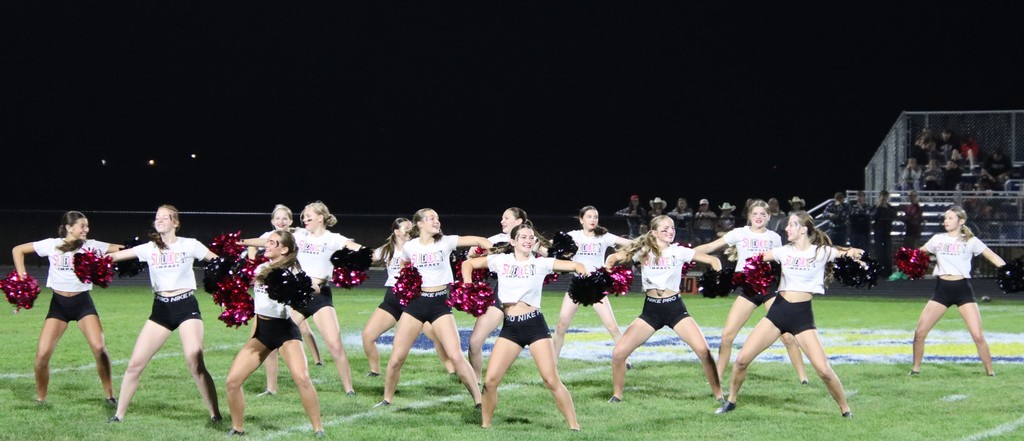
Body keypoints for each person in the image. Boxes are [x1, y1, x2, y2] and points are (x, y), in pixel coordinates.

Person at [716, 211, 862, 418]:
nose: (787, 229)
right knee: (741, 360)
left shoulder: (820, 252)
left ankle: (845, 410)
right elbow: (754, 260)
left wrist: (854, 253)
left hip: (802, 317)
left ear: (803, 229)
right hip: (778, 312)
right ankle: (731, 401)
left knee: (823, 370)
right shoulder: (783, 251)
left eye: (792, 225)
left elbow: (841, 252)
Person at [461, 224, 585, 430]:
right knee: (490, 381)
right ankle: (485, 427)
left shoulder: (541, 263)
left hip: (535, 326)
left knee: (551, 379)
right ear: (513, 242)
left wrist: (584, 276)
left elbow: (575, 265)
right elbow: (468, 264)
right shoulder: (500, 260)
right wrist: (467, 286)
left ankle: (574, 426)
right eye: (523, 237)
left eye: (531, 237)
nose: (528, 240)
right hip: (510, 329)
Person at [105, 205, 222, 423]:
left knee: (194, 362)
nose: (159, 221)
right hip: (160, 309)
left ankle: (215, 414)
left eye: (164, 218)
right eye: (157, 218)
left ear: (175, 222)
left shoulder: (190, 245)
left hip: (186, 306)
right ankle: (118, 415)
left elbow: (219, 263)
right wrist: (87, 259)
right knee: (134, 364)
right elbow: (115, 257)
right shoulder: (148, 248)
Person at [239, 201, 362, 395]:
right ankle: (271, 389)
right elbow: (265, 242)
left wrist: (373, 253)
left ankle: (349, 389)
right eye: (303, 216)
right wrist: (240, 242)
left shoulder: (333, 238)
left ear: (320, 218)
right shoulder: (298, 235)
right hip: (296, 296)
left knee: (334, 344)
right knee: (270, 339)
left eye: (308, 216)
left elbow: (355, 247)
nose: (304, 219)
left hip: (319, 295)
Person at [376, 208, 487, 408]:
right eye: (431, 218)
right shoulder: (410, 246)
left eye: (437, 218)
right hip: (416, 304)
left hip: (439, 304)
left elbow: (478, 240)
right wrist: (407, 281)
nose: (437, 221)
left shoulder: (445, 242)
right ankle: (386, 399)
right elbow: (404, 264)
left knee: (455, 355)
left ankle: (479, 401)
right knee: (396, 358)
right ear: (419, 224)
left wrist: (490, 246)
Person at [605, 216, 724, 403]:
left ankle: (719, 395)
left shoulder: (679, 251)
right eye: (665, 228)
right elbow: (616, 257)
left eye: (672, 228)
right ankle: (617, 396)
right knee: (619, 353)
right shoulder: (643, 251)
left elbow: (712, 261)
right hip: (651, 311)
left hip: (674, 308)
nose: (670, 231)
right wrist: (609, 263)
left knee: (703, 350)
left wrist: (718, 276)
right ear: (653, 232)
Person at [11, 211, 121, 405]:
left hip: (82, 304)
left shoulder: (91, 246)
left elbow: (120, 249)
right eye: (82, 226)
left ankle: (110, 395)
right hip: (59, 306)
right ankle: (41, 398)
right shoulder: (51, 245)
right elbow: (17, 250)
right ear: (69, 228)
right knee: (42, 355)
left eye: (87, 226)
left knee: (99, 348)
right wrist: (22, 277)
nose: (86, 229)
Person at [694, 200, 808, 385]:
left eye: (763, 214)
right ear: (749, 216)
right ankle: (718, 377)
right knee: (727, 336)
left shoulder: (774, 238)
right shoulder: (739, 233)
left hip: (769, 289)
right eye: (755, 214)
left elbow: (784, 263)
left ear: (769, 217)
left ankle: (804, 378)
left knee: (787, 335)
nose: (759, 217)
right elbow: (710, 247)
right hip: (748, 290)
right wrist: (683, 253)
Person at [224, 230, 324, 437]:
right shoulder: (261, 268)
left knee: (302, 378)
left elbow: (315, 289)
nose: (266, 246)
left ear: (284, 249)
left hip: (285, 331)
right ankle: (237, 428)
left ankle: (318, 429)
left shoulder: (292, 270)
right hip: (262, 332)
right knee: (232, 381)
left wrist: (296, 284)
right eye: (267, 242)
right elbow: (239, 281)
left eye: (272, 243)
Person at [910, 206, 1003, 377]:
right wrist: (909, 261)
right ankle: (915, 370)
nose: (946, 221)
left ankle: (990, 372)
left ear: (961, 222)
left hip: (963, 291)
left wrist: (1010, 271)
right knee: (920, 332)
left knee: (977, 335)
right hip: (941, 291)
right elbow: (917, 255)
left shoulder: (971, 241)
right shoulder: (937, 239)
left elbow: (993, 257)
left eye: (951, 218)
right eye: (945, 218)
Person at [244, 204, 324, 398]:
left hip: (292, 286)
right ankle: (271, 387)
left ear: (290, 221)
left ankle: (317, 359)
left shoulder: (298, 235)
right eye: (277, 218)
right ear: (272, 221)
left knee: (301, 328)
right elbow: (254, 245)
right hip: (270, 292)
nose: (280, 221)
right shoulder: (269, 240)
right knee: (263, 335)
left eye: (284, 218)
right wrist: (244, 248)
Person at [361, 217, 454, 378]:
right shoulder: (387, 249)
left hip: (416, 300)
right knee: (368, 335)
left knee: (438, 336)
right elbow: (366, 257)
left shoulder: (418, 246)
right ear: (397, 232)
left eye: (411, 227)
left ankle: (452, 369)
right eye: (405, 228)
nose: (409, 231)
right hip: (393, 298)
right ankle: (374, 371)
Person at [551, 206, 633, 365]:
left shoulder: (603, 237)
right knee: (561, 326)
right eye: (589, 217)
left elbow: (627, 243)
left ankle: (626, 359)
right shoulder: (573, 235)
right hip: (577, 285)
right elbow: (552, 245)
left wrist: (646, 242)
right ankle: (553, 362)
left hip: (597, 287)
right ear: (581, 219)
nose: (593, 220)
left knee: (612, 327)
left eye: (595, 217)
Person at [462, 207, 531, 383]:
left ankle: (550, 376)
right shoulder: (497, 240)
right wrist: (478, 251)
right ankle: (476, 381)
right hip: (500, 298)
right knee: (475, 343)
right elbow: (471, 254)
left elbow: (549, 253)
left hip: (526, 303)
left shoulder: (530, 239)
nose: (502, 221)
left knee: (534, 345)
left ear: (519, 222)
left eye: (506, 218)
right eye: (502, 218)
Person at [872, 191, 898, 277]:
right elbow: (873, 216)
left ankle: (888, 271)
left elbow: (894, 215)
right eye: (882, 197)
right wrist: (879, 207)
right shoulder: (875, 207)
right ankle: (880, 272)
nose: (883, 199)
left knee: (887, 252)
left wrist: (886, 208)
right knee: (879, 252)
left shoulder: (890, 207)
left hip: (887, 232)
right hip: (878, 232)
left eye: (885, 197)